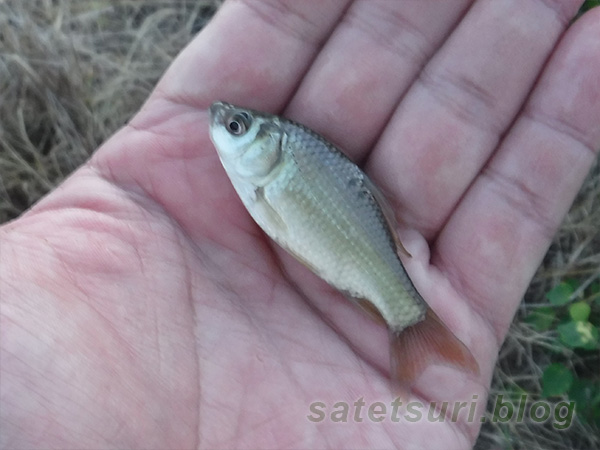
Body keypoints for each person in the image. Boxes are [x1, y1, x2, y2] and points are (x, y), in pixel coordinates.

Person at [1, 1, 599, 448]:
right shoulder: (267, 173)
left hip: (362, 253)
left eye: (236, 129)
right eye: (235, 127)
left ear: (266, 148)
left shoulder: (276, 169)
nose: (222, 127)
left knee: (388, 291)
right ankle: (410, 327)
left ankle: (410, 323)